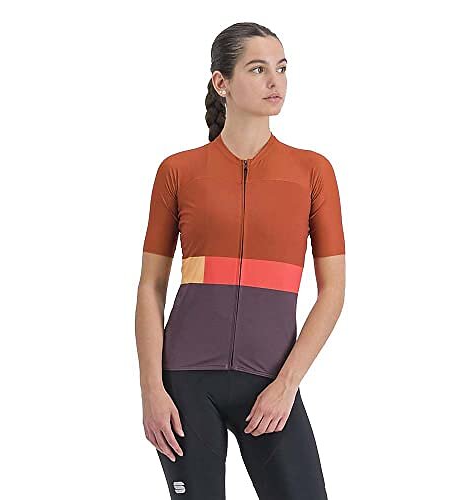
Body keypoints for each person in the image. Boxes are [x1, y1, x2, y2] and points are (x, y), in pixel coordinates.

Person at [135, 22, 346, 499]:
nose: (275, 81)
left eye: (282, 69)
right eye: (257, 69)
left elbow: (333, 291)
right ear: (221, 82)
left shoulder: (312, 171)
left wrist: (286, 384)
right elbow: (150, 287)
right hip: (185, 384)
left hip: (269, 381)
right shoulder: (178, 171)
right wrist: (151, 389)